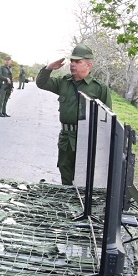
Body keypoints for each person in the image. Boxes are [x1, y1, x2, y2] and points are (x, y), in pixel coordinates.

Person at [36, 44, 112, 185]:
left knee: (84, 177)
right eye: (72, 61)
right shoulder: (64, 82)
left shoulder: (99, 88)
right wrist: (49, 68)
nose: (73, 64)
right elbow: (41, 83)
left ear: (89, 65)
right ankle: (66, 205)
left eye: (78, 62)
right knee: (65, 173)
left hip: (86, 139)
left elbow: (106, 119)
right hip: (66, 138)